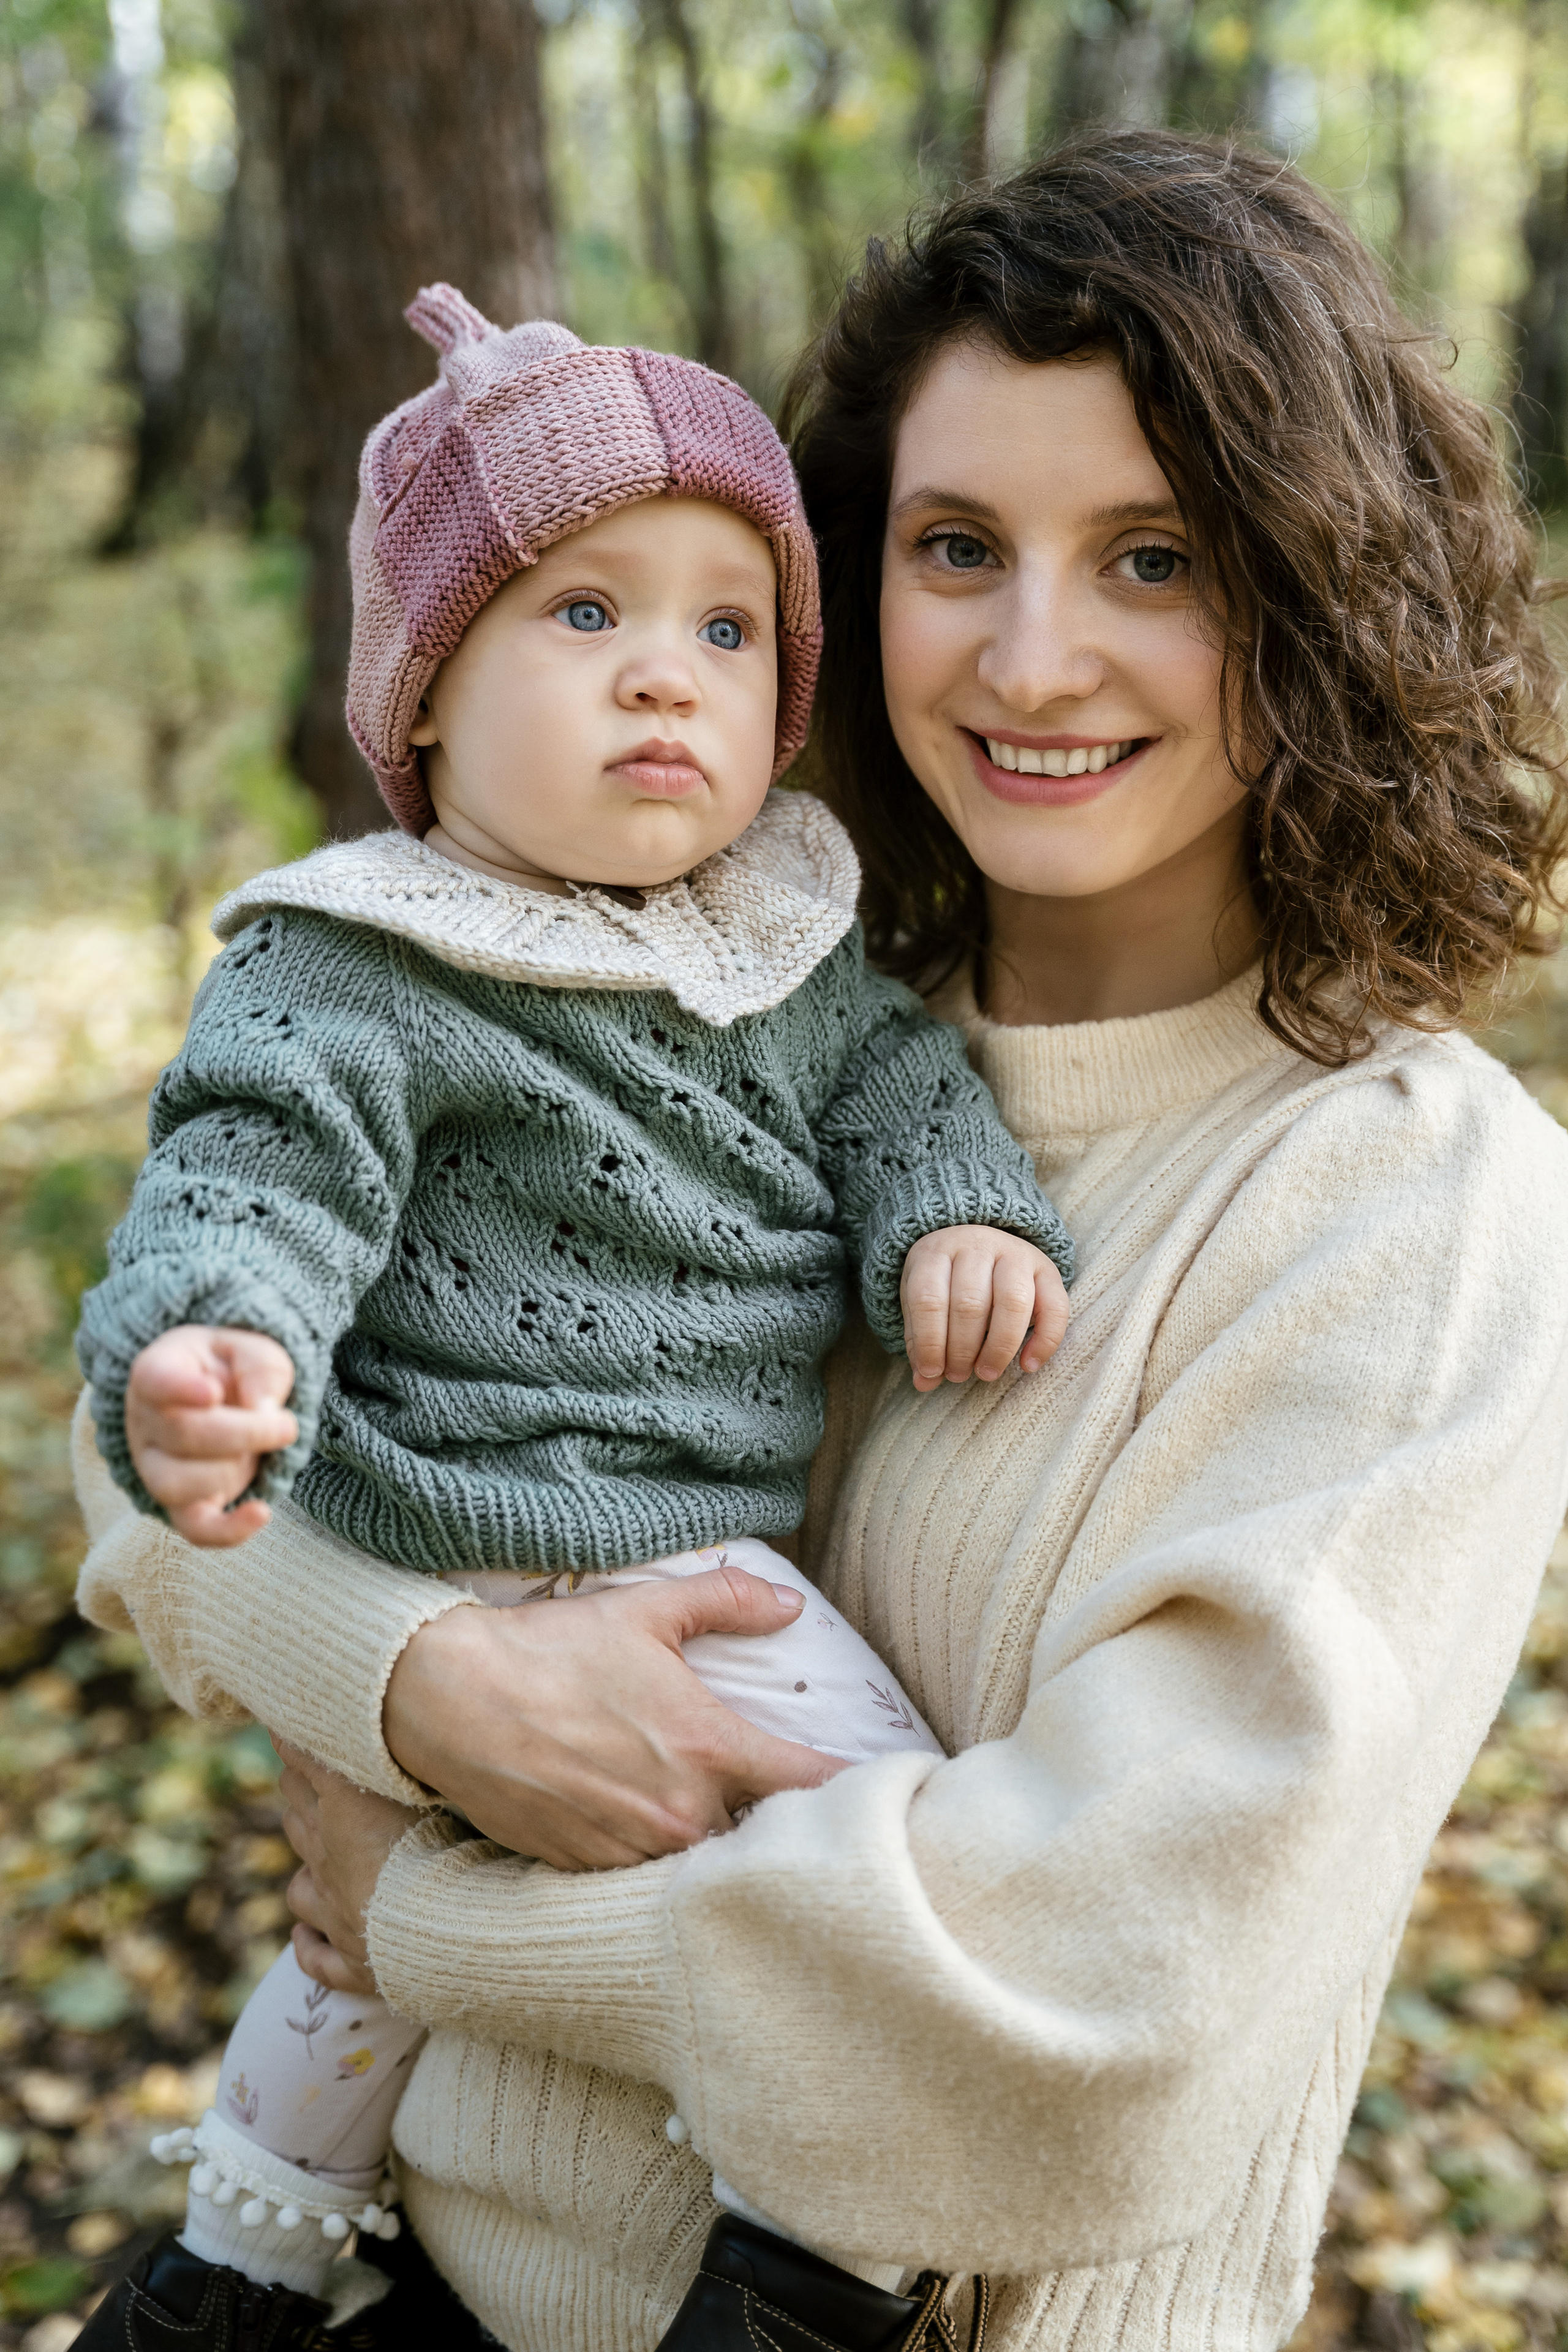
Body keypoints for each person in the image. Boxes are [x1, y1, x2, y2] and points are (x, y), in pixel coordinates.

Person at [74, 129, 1568, 2352]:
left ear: (1318, 592)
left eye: (1154, 557)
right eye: (957, 545)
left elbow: (1105, 1999)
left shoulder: (1410, 1201)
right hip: (421, 2284)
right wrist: (423, 1677)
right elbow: (145, 1461)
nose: (1035, 656)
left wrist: (431, 1916)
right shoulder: (704, 997)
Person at [69, 287, 1071, 2351]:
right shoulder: (359, 960)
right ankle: (238, 2271)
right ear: (423, 694)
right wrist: (211, 1345)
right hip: (441, 1551)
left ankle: (785, 2275)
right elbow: (253, 1169)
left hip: (699, 1572)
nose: (668, 684)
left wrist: (960, 1221)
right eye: (585, 615)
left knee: (824, 1909)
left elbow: (902, 1092)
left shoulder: (787, 951)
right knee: (883, 1867)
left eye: (727, 632)